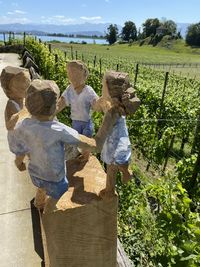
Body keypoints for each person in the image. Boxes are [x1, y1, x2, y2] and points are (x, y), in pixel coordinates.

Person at [9, 79, 116, 209]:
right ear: (54, 106)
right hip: (55, 177)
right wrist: (109, 119)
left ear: (29, 105)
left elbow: (19, 149)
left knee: (41, 187)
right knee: (56, 195)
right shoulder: (60, 130)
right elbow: (96, 145)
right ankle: (49, 210)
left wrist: (19, 163)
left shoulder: (23, 125)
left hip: (35, 173)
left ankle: (39, 203)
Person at [93, 71, 140, 198]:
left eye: (103, 86)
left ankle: (110, 190)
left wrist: (90, 143)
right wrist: (101, 100)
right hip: (120, 140)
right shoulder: (120, 108)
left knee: (111, 166)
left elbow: (101, 135)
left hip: (112, 143)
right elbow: (98, 106)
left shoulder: (112, 113)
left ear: (110, 91)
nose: (102, 87)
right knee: (117, 162)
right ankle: (125, 173)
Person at [56, 60, 98, 138]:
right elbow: (61, 102)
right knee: (76, 142)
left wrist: (101, 104)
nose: (71, 75)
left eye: (74, 72)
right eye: (69, 72)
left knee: (85, 146)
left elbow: (96, 105)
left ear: (84, 75)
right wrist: (50, 112)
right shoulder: (69, 89)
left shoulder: (88, 90)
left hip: (86, 123)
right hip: (75, 123)